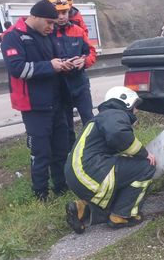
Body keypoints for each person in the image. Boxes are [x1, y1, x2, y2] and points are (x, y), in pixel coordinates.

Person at [1, 0, 73, 201]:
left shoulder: (47, 35)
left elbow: (53, 63)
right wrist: (51, 66)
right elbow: (18, 69)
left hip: (57, 101)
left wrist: (65, 64)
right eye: (49, 22)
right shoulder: (13, 37)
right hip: (34, 106)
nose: (52, 27)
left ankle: (61, 187)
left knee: (61, 148)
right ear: (35, 17)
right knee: (41, 153)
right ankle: (40, 193)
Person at [64, 87, 156, 234]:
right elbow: (118, 134)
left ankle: (82, 209)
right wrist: (143, 153)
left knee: (125, 169)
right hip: (90, 173)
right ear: (126, 103)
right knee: (145, 167)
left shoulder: (104, 116)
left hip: (78, 175)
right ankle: (122, 216)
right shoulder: (115, 114)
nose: (136, 111)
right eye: (135, 106)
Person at [48, 0, 96, 148]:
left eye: (64, 12)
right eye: (58, 13)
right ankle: (70, 153)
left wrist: (84, 61)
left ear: (69, 11)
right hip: (60, 86)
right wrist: (61, 64)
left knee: (89, 120)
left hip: (80, 84)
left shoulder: (78, 31)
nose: (61, 16)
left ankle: (92, 150)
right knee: (66, 125)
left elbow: (91, 52)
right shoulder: (46, 34)